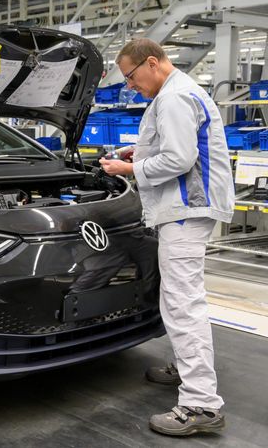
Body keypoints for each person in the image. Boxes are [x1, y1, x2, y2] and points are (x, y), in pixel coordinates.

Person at [99, 38, 234, 436]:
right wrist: (137, 152)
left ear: (152, 63)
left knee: (182, 303)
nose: (130, 86)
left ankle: (201, 404)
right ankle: (186, 369)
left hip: (186, 209)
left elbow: (179, 158)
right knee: (177, 298)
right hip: (187, 209)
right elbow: (173, 146)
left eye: (131, 76)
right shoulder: (180, 92)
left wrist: (129, 171)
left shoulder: (174, 97)